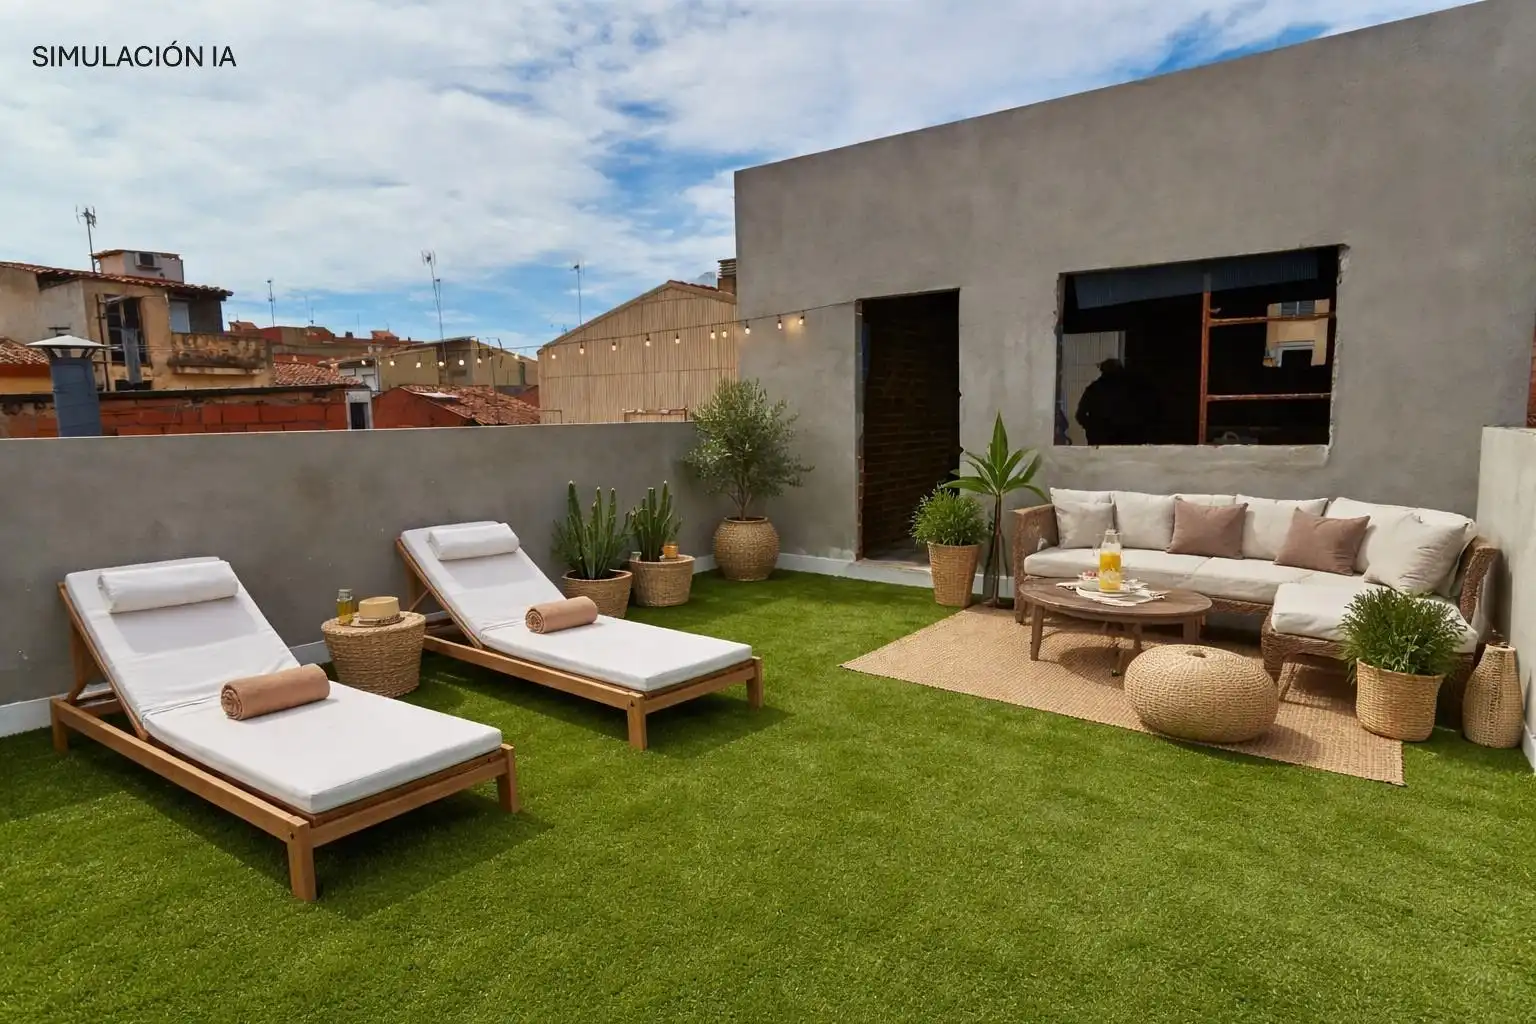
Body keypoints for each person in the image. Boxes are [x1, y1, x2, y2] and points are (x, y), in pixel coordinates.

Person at [1075, 358, 1151, 445]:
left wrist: (1093, 428)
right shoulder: (1129, 390)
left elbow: (1080, 415)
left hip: (1103, 440)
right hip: (1118, 440)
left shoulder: (1094, 389)